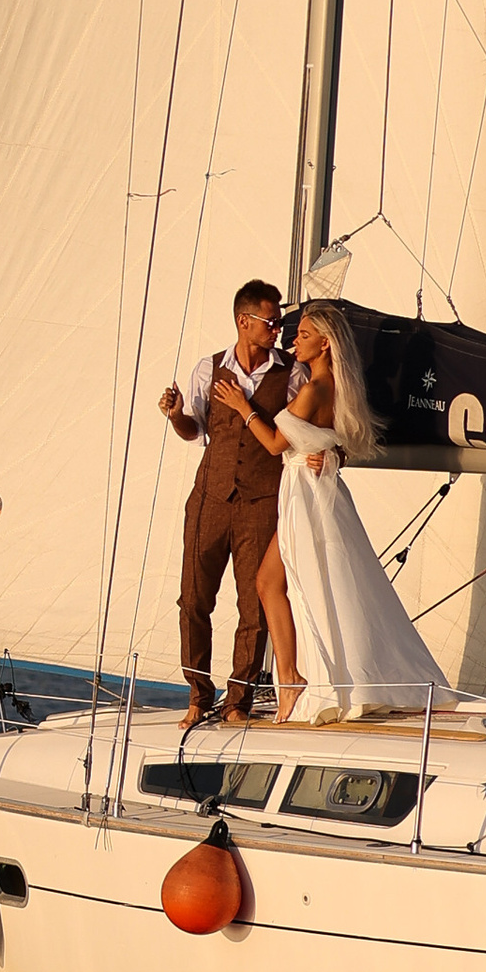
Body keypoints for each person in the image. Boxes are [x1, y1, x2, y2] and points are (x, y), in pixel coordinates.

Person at [260, 303, 445, 722]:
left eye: (303, 335)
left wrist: (241, 406)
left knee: (289, 583)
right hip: (317, 488)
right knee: (318, 582)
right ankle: (304, 678)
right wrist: (332, 452)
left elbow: (274, 443)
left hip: (305, 494)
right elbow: (332, 440)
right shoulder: (341, 387)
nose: (294, 341)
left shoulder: (313, 389)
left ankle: (296, 682)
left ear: (325, 343)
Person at [158, 280, 290, 726]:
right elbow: (194, 429)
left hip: (261, 502)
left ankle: (239, 701)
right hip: (210, 499)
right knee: (193, 599)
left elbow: (300, 430)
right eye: (270, 322)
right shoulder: (208, 368)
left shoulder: (290, 374)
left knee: (253, 607)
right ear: (243, 321)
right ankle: (198, 694)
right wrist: (176, 415)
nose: (277, 330)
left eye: (278, 322)